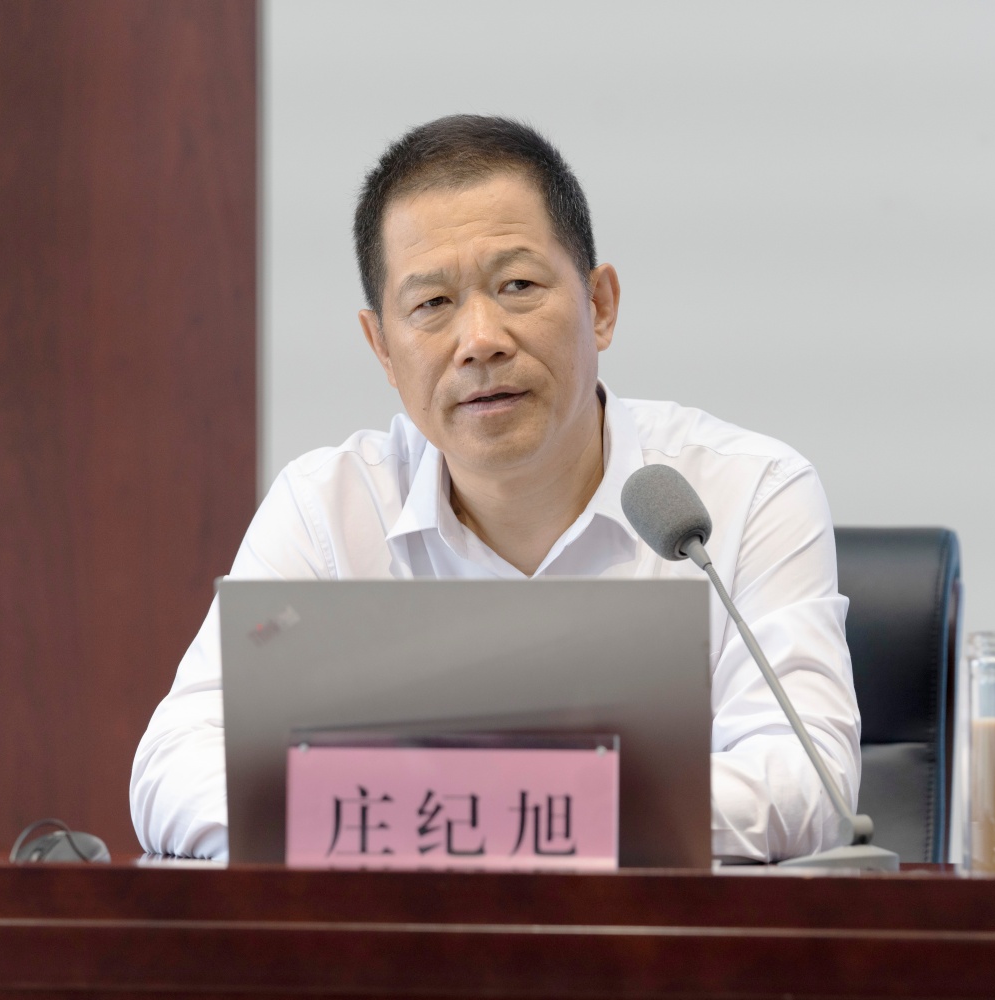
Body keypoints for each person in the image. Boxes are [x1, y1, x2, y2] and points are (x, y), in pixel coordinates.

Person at [130, 115, 860, 863]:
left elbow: (809, 783)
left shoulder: (746, 494)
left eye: (517, 286)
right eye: (432, 304)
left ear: (600, 305)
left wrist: (446, 812)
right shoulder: (329, 510)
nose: (480, 340)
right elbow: (175, 764)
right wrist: (509, 812)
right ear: (382, 348)